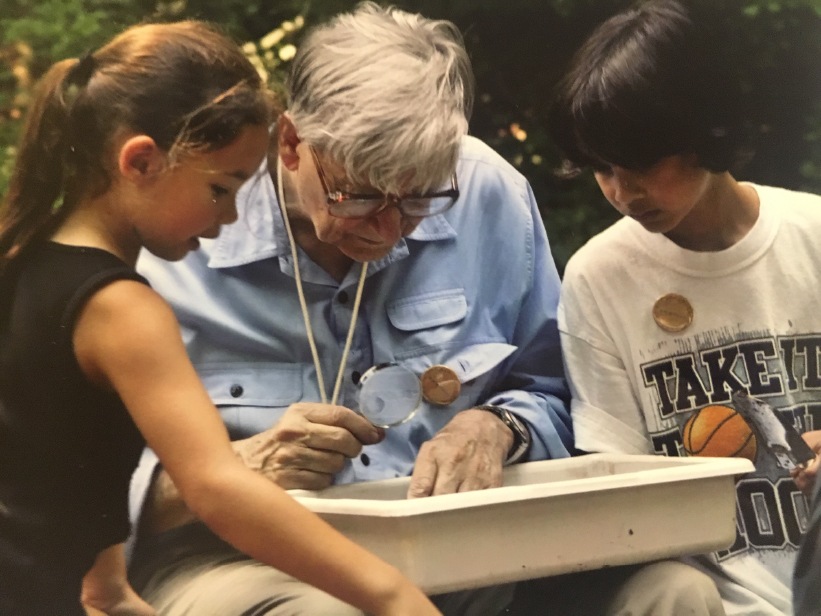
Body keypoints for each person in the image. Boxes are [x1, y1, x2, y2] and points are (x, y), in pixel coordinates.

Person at [130, 3, 573, 615]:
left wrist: (501, 427)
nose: (389, 231)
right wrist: (230, 472)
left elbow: (559, 389)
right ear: (291, 142)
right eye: (360, 195)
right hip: (240, 562)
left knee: (671, 593)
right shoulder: (176, 239)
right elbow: (78, 488)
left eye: (420, 200)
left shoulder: (487, 192)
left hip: (471, 559)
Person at [0, 20, 441, 616]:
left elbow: (74, 497)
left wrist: (116, 594)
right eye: (222, 187)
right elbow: (218, 488)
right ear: (141, 161)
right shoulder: (121, 308)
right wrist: (393, 597)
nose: (231, 217)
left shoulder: (26, 265)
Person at [548, 0, 821, 614]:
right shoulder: (599, 276)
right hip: (707, 593)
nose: (622, 192)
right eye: (601, 170)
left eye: (640, 164)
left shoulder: (814, 236)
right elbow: (618, 491)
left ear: (707, 132)